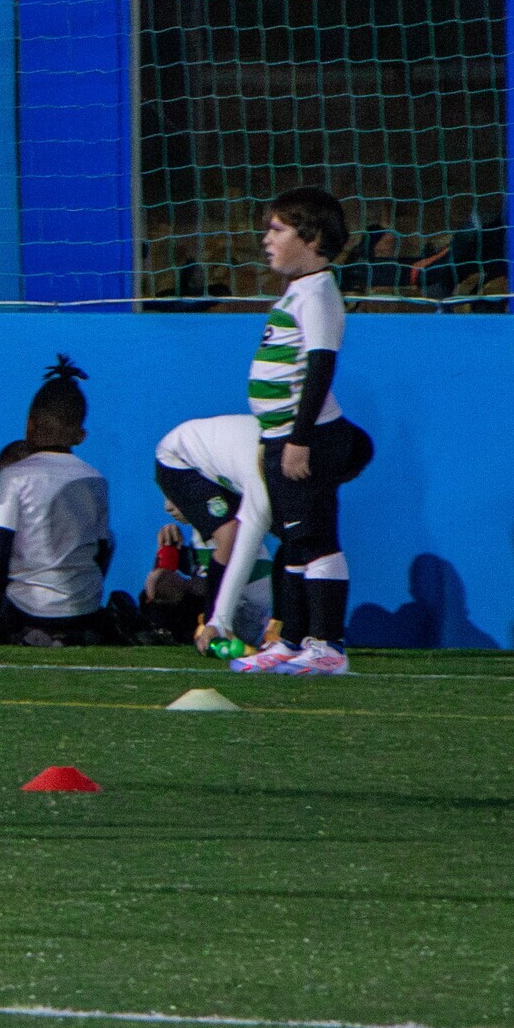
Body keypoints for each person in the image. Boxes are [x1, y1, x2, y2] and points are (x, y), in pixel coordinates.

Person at [233, 186, 375, 676]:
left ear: (312, 239)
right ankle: (290, 640)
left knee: (316, 539)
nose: (266, 239)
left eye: (277, 230)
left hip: (307, 440)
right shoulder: (297, 291)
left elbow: (320, 366)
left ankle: (328, 644)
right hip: (282, 438)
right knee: (293, 542)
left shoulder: (318, 293)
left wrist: (299, 439)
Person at [0, 359, 116, 646]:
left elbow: (1, 545)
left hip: (29, 606)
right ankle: (75, 632)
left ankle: (30, 632)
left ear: (30, 425)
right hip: (85, 605)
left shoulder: (14, 475)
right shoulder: (96, 479)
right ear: (80, 435)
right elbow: (102, 548)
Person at [152, 413, 273, 654]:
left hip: (250, 608)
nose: (168, 507)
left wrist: (179, 581)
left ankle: (213, 629)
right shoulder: (205, 530)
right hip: (244, 605)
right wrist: (172, 557)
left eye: (173, 496)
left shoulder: (225, 523)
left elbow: (204, 584)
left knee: (161, 587)